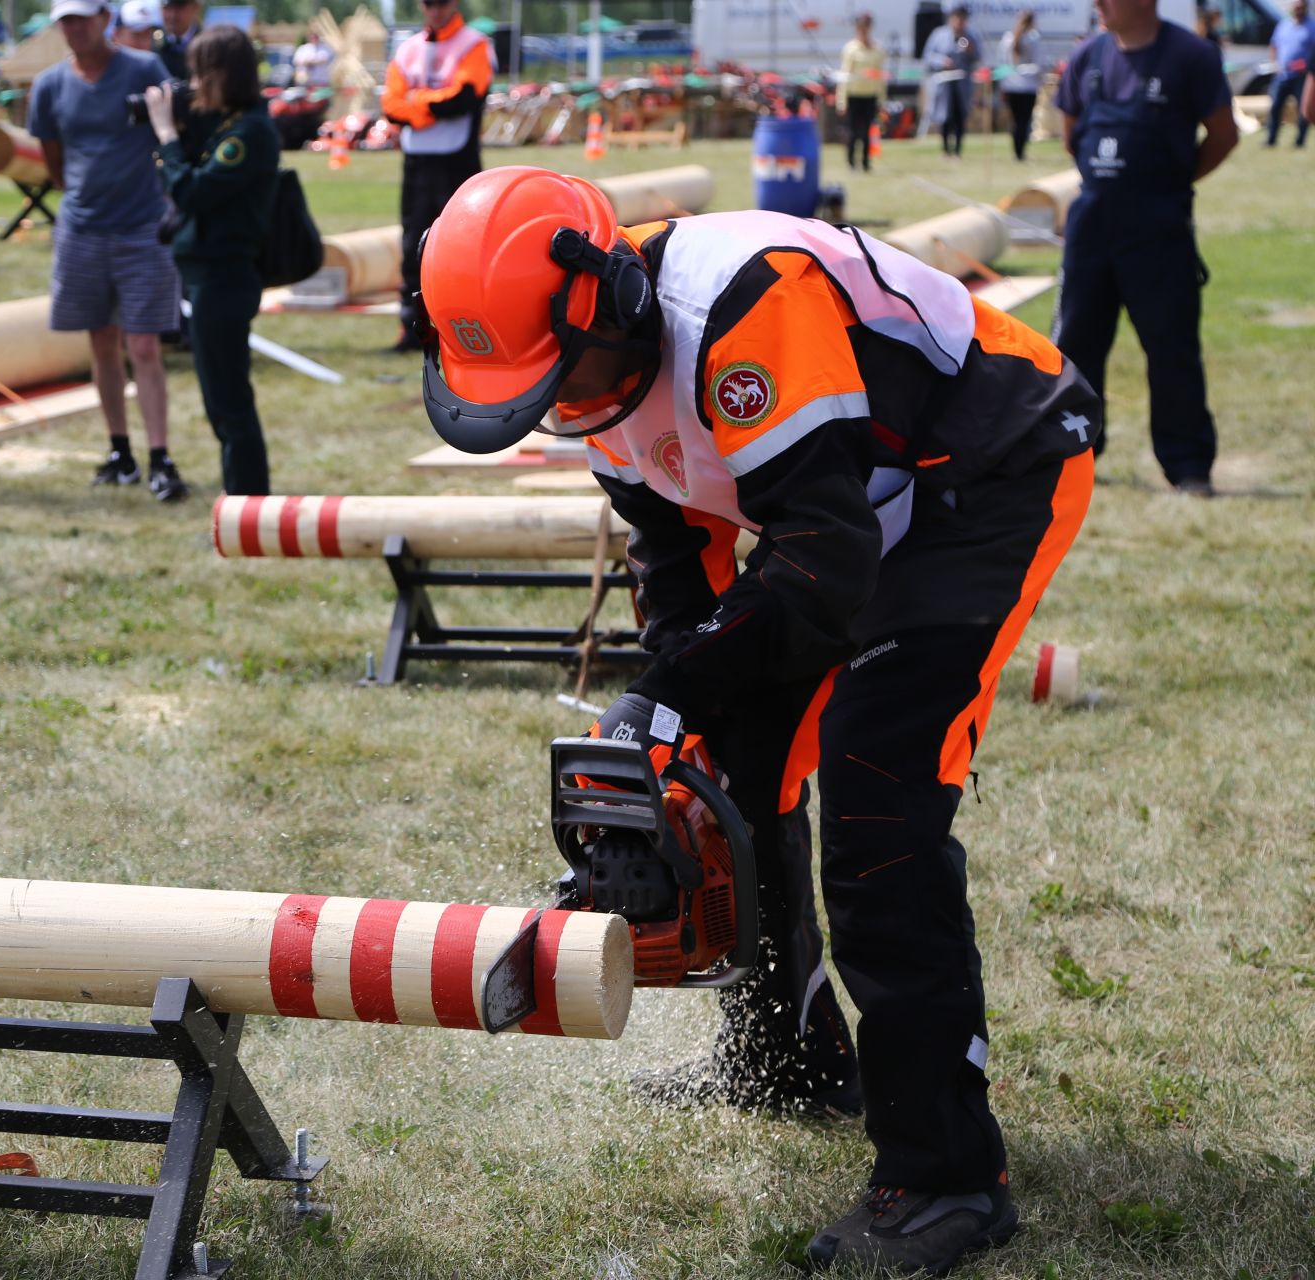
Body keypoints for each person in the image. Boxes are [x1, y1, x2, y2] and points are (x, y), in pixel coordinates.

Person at [417, 166, 1099, 1275]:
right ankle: (788, 1058)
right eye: (537, 391)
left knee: (879, 799)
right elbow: (683, 576)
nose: (562, 404)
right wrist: (675, 715)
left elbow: (825, 570)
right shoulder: (587, 367)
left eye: (564, 377)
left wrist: (672, 690)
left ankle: (947, 1175)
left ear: (612, 302)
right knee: (731, 762)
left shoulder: (740, 303)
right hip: (842, 507)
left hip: (984, 463)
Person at [1052, 0, 1237, 495]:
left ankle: (1189, 466)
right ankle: (1074, 454)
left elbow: (1224, 134)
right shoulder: (1087, 57)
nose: (1099, 5)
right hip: (1092, 226)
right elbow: (1071, 137)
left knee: (1171, 347)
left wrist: (1171, 183)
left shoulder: (1191, 56)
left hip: (1159, 226)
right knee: (1075, 344)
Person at [28, 0, 186, 500]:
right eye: (65, 21)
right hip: (83, 230)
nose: (73, 29)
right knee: (101, 342)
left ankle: (160, 454)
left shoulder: (142, 68)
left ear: (104, 20)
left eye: (82, 18)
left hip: (142, 226)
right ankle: (120, 450)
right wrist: (80, 196)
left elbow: (172, 127)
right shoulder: (50, 84)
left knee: (143, 345)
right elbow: (53, 160)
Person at [148, 25, 278, 495]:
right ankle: (244, 503)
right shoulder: (230, 125)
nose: (194, 85)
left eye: (201, 75)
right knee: (220, 401)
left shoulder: (248, 134)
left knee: (229, 403)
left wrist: (166, 135)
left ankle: (248, 507)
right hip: (208, 279)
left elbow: (191, 192)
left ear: (226, 75)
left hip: (223, 280)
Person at [380, 0, 492, 352]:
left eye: (441, 3)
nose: (435, 10)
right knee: (412, 244)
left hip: (457, 160)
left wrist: (417, 104)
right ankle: (412, 328)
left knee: (462, 247)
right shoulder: (408, 48)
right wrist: (429, 106)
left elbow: (463, 99)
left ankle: (466, 330)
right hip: (417, 162)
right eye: (429, 4)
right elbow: (390, 106)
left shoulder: (474, 44)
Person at [923, 5, 980, 158]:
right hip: (945, 84)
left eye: (963, 18)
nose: (960, 21)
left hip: (962, 84)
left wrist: (970, 50)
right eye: (957, 17)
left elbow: (978, 56)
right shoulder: (939, 35)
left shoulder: (970, 36)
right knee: (945, 117)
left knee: (960, 116)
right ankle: (946, 150)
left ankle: (958, 151)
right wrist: (942, 62)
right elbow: (927, 56)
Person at [837, 13, 885, 171]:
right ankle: (851, 162)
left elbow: (880, 77)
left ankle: (865, 162)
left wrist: (881, 100)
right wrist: (841, 100)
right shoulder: (851, 49)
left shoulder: (878, 49)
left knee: (867, 131)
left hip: (870, 95)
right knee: (853, 131)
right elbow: (844, 76)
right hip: (854, 95)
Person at [1266, 0, 1312, 147]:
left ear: (1306, 8)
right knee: (1275, 107)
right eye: (1296, 7)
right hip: (1283, 74)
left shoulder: (1312, 26)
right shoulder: (1283, 25)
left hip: (1302, 76)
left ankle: (1300, 141)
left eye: (1301, 7)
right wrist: (1275, 64)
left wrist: (1308, 65)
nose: (1298, 10)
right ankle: (1271, 139)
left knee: (1304, 109)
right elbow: (1274, 45)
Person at [997, 10, 1042, 160]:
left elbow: (1002, 65)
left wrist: (1003, 85)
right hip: (1027, 87)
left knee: (1016, 122)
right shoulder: (1033, 39)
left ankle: (1017, 151)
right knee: (1024, 121)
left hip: (1011, 86)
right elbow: (1038, 65)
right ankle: (1020, 152)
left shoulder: (1007, 39)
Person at [152, 0, 199, 79]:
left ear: (195, 7)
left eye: (180, 8)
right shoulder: (151, 42)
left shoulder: (208, 45)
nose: (173, 15)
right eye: (167, 8)